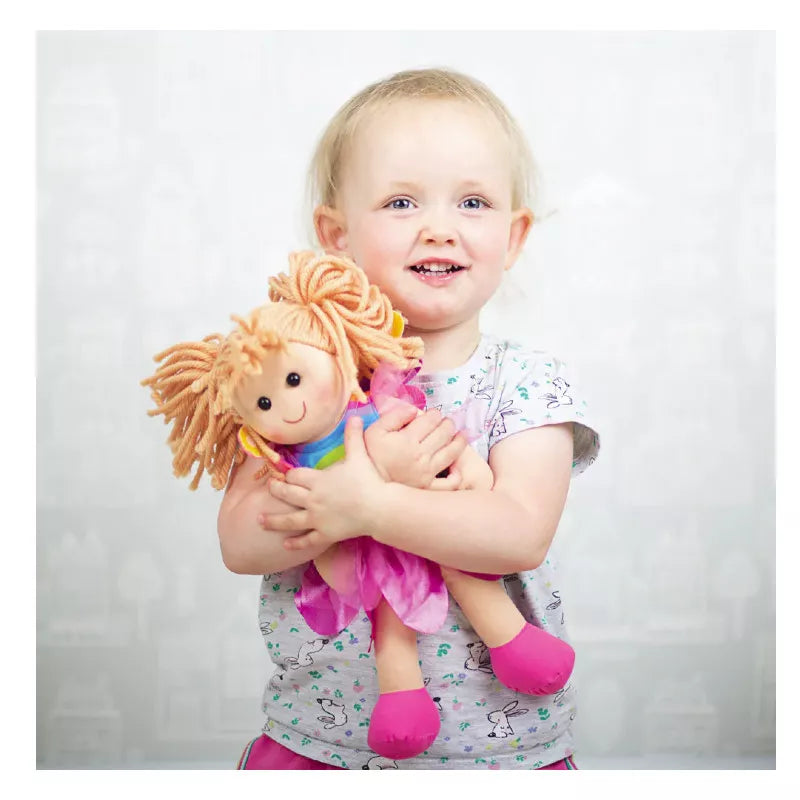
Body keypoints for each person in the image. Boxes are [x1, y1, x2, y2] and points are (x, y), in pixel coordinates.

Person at [219, 67, 600, 771]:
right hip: (320, 743)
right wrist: (349, 499)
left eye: (473, 202)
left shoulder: (526, 382)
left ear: (513, 237)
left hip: (502, 752)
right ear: (335, 235)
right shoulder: (296, 377)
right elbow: (242, 544)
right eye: (400, 201)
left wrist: (367, 504)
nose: (439, 228)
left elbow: (517, 534)